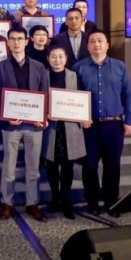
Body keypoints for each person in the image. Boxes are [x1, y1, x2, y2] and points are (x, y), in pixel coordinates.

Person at [73, 30, 131, 218]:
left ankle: (111, 201)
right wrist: (80, 116)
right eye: (92, 41)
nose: (96, 44)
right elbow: (74, 97)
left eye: (100, 41)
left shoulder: (120, 67)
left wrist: (129, 121)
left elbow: (128, 95)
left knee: (112, 166)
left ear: (107, 45)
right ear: (87, 46)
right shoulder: (78, 68)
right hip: (89, 126)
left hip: (113, 125)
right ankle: (92, 202)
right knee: (90, 166)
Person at [0, 25, 49, 221]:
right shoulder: (0, 67)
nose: (16, 42)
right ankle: (7, 202)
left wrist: (42, 116)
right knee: (8, 167)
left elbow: (44, 93)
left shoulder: (39, 66)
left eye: (20, 39)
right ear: (8, 43)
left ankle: (32, 202)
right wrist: (5, 116)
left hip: (34, 125)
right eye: (13, 39)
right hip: (11, 124)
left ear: (26, 41)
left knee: (33, 167)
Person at [41, 46, 86, 220]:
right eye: (53, 56)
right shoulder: (42, 75)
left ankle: (65, 201)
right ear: (48, 58)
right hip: (50, 126)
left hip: (69, 126)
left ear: (66, 58)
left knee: (68, 165)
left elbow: (82, 99)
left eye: (61, 56)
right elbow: (38, 98)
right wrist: (45, 113)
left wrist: (84, 116)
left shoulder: (74, 76)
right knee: (51, 164)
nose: (57, 60)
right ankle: (55, 199)